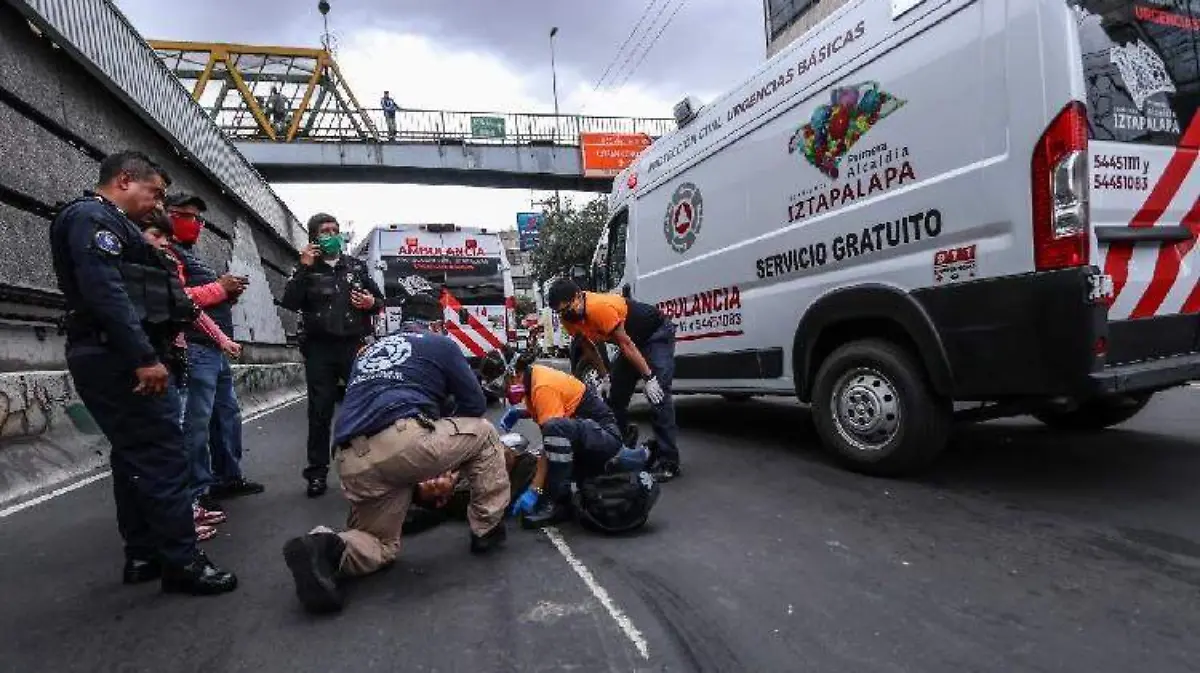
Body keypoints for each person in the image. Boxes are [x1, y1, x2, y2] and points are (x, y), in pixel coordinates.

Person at [50, 150, 237, 595]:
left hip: (112, 351)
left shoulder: (110, 222)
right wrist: (143, 357)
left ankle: (145, 553)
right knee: (163, 457)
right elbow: (107, 293)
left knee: (134, 458)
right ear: (124, 181)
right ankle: (182, 562)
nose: (157, 203)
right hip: (118, 355)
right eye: (153, 192)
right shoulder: (94, 219)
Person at [281, 276, 510, 614]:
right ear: (435, 323)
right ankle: (487, 529)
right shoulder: (441, 344)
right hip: (403, 441)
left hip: (350, 460)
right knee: (485, 432)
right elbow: (473, 405)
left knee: (382, 544)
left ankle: (326, 546)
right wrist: (446, 465)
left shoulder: (368, 351)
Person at [140, 209, 242, 542]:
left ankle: (189, 505)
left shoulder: (168, 263)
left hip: (177, 355)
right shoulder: (135, 267)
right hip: (155, 361)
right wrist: (218, 289)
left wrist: (223, 339)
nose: (164, 243)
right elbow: (180, 302)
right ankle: (173, 520)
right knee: (176, 437)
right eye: (157, 235)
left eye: (167, 239)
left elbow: (187, 308)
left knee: (183, 431)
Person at [163, 193, 265, 519]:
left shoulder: (191, 256)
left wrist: (227, 296)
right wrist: (220, 289)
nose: (194, 223)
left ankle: (227, 477)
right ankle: (196, 493)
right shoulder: (165, 254)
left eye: (197, 218)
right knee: (196, 423)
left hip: (214, 346)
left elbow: (200, 301)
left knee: (226, 416)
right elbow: (175, 298)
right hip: (194, 347)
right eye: (185, 215)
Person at [479, 348, 649, 528]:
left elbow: (551, 438)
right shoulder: (533, 379)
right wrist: (522, 412)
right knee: (550, 444)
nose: (505, 392)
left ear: (515, 374)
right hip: (591, 435)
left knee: (552, 435)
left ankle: (559, 502)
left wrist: (534, 490)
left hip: (605, 438)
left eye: (504, 385)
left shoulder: (542, 387)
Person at [280, 213, 384, 497]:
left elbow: (379, 301)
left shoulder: (356, 267)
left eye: (335, 230)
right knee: (320, 412)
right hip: (319, 350)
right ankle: (317, 473)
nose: (332, 234)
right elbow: (289, 302)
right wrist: (303, 268)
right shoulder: (306, 268)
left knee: (364, 408)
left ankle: (370, 468)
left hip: (354, 346)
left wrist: (371, 302)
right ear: (314, 237)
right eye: (325, 230)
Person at [546, 279, 682, 481]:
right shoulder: (569, 318)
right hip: (631, 343)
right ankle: (623, 447)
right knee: (614, 399)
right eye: (560, 312)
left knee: (658, 395)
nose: (565, 314)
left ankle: (668, 461)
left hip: (655, 335)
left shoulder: (599, 307)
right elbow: (588, 347)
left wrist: (649, 378)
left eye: (567, 308)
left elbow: (625, 344)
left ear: (577, 297)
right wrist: (605, 376)